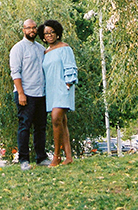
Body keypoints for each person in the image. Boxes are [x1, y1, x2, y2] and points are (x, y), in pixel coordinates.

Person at [10, 18, 50, 169]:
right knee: (24, 127)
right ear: (23, 30)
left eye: (34, 28)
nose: (32, 31)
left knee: (40, 127)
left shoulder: (41, 49)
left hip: (41, 93)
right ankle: (24, 160)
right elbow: (15, 72)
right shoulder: (18, 49)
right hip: (25, 94)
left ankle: (41, 157)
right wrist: (21, 93)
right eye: (29, 28)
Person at [39, 19, 78, 166]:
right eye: (46, 33)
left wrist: (68, 84)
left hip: (63, 88)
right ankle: (68, 157)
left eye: (52, 32)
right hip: (51, 90)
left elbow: (70, 67)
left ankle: (56, 156)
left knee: (55, 118)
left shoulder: (65, 48)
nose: (49, 35)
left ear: (57, 33)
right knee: (62, 122)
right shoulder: (45, 52)